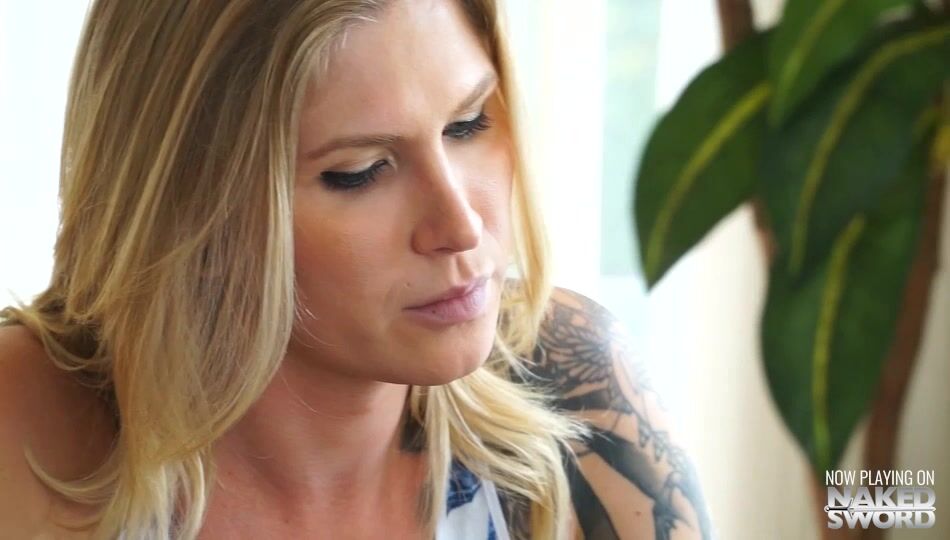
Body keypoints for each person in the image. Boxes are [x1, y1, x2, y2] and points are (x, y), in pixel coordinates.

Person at [0, 0, 712, 538]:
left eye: (467, 124)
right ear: (186, 210)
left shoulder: (575, 379)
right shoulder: (26, 421)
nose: (460, 226)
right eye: (360, 171)